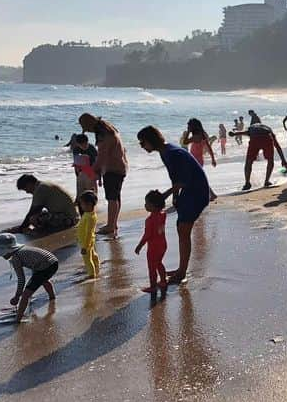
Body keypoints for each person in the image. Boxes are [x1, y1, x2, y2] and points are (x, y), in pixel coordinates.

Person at [137, 126, 211, 284]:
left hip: (197, 191)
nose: (141, 146)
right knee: (181, 228)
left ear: (150, 140)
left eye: (142, 142)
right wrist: (175, 197)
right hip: (189, 190)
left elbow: (183, 180)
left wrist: (165, 195)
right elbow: (176, 178)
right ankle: (181, 269)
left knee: (184, 230)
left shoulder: (172, 153)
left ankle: (182, 272)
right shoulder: (165, 152)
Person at [0, 233, 58, 323]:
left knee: (25, 295)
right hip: (52, 261)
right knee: (43, 280)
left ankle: (18, 319)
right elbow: (36, 260)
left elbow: (21, 279)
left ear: (8, 251)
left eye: (2, 253)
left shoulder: (15, 258)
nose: (2, 256)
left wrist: (17, 296)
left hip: (45, 266)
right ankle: (52, 297)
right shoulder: (22, 250)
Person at [78, 113, 128, 238]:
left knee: (111, 197)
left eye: (85, 128)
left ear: (89, 124)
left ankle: (110, 225)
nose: (86, 131)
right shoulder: (108, 128)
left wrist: (94, 171)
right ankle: (113, 223)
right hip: (121, 166)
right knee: (116, 197)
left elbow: (102, 156)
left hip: (112, 168)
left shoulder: (103, 135)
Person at [10, 174, 79, 234]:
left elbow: (33, 211)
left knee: (34, 219)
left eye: (26, 189)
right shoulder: (43, 185)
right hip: (71, 215)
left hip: (69, 219)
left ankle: (45, 230)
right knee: (39, 216)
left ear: (29, 184)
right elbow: (34, 210)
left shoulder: (40, 189)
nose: (27, 192)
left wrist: (21, 229)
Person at [229, 122, 287, 190]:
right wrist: (283, 160)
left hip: (255, 139)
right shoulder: (267, 128)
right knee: (270, 160)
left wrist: (234, 134)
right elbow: (277, 146)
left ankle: (247, 183)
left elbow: (244, 132)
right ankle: (267, 181)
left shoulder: (252, 127)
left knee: (249, 161)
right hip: (267, 138)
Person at [135, 189, 168, 294]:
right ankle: (163, 281)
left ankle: (153, 286)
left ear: (153, 205)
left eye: (147, 203)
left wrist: (139, 246)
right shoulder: (163, 215)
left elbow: (147, 236)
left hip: (154, 247)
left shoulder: (149, 220)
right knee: (159, 263)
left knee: (152, 267)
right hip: (163, 245)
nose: (145, 205)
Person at [67, 133, 99, 202]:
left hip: (91, 170)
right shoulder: (76, 149)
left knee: (91, 190)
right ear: (78, 144)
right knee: (80, 190)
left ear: (87, 141)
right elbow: (76, 162)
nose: (84, 146)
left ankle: (94, 202)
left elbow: (97, 161)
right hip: (81, 171)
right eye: (81, 145)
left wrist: (98, 176)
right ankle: (79, 202)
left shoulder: (92, 148)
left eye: (85, 144)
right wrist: (77, 173)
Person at [77, 190, 100, 279]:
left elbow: (89, 233)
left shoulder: (89, 217)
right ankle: (97, 265)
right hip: (88, 240)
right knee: (92, 254)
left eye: (82, 204)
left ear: (89, 204)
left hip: (86, 241)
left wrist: (85, 247)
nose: (81, 206)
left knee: (87, 259)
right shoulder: (90, 214)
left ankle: (91, 275)